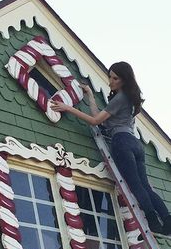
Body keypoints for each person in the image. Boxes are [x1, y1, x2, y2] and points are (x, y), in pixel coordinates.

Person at [51, 61, 171, 235]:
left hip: (121, 142)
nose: (111, 81)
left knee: (136, 186)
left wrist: (67, 108)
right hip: (135, 144)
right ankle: (167, 219)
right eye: (110, 77)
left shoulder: (120, 97)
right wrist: (91, 96)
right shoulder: (129, 99)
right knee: (145, 185)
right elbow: (100, 117)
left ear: (124, 80)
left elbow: (95, 121)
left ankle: (153, 221)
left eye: (115, 78)